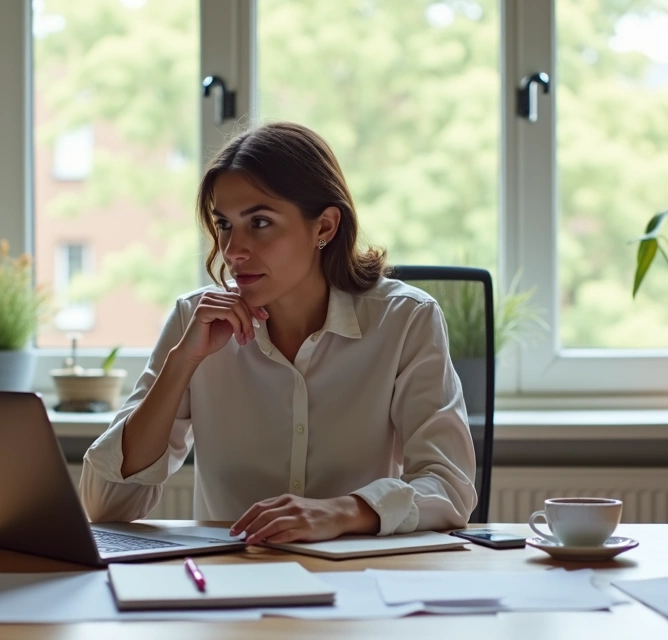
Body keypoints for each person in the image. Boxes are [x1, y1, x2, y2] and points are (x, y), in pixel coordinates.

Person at [79, 121, 477, 545]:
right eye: (225, 224)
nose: (233, 251)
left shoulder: (404, 320)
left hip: (359, 583)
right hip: (233, 584)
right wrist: (181, 365)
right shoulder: (193, 322)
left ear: (324, 227)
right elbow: (106, 505)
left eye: (261, 223)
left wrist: (340, 512)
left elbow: (448, 486)